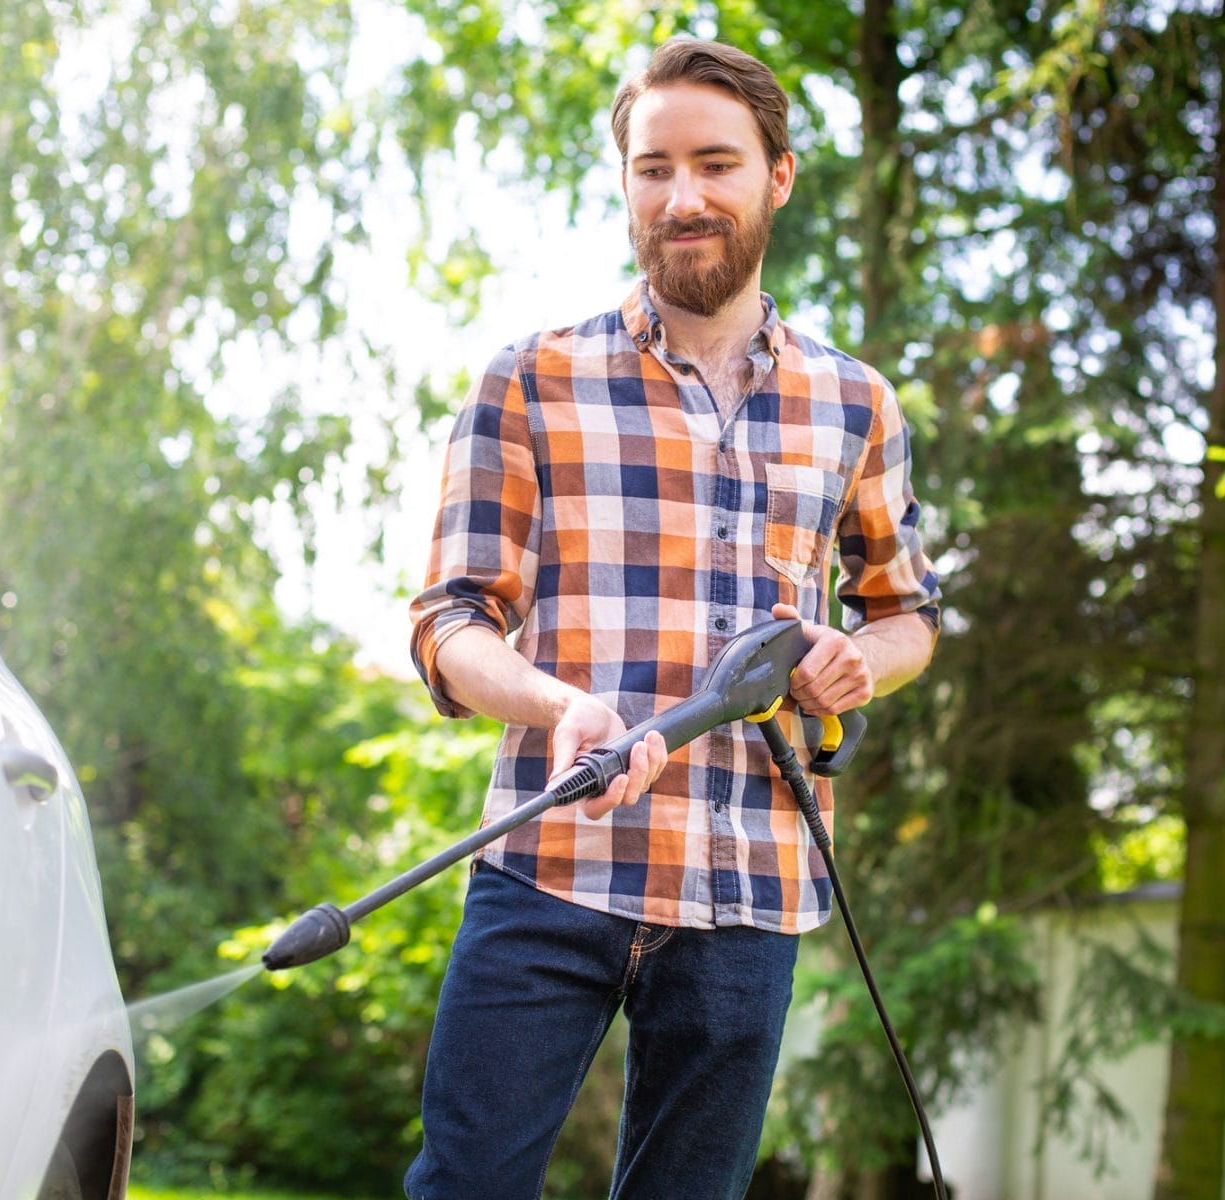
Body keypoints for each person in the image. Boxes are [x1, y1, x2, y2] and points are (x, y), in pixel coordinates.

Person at [405, 36, 941, 1200]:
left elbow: (907, 614)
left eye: (715, 163)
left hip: (750, 885)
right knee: (465, 1187)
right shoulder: (528, 380)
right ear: (626, 182)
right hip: (552, 864)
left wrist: (858, 661)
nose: (682, 197)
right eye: (654, 169)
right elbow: (450, 625)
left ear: (778, 176)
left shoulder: (856, 403)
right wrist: (557, 706)